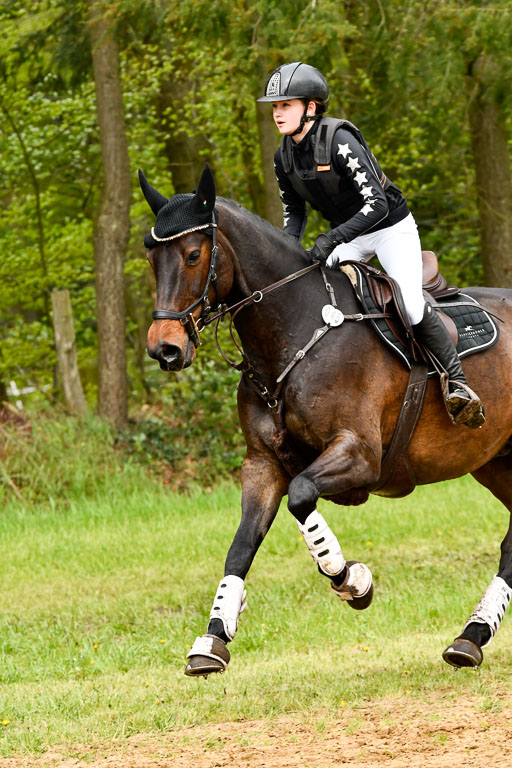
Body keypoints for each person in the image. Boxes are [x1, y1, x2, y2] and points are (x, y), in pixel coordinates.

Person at [257, 61, 484, 428]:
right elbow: (294, 214)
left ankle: (457, 381)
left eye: (286, 104)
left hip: (390, 227)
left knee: (409, 304)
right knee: (315, 292)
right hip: (350, 234)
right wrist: (287, 257)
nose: (278, 112)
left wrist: (331, 237)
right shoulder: (283, 156)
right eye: (275, 106)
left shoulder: (339, 140)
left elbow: (377, 204)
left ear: (310, 107)